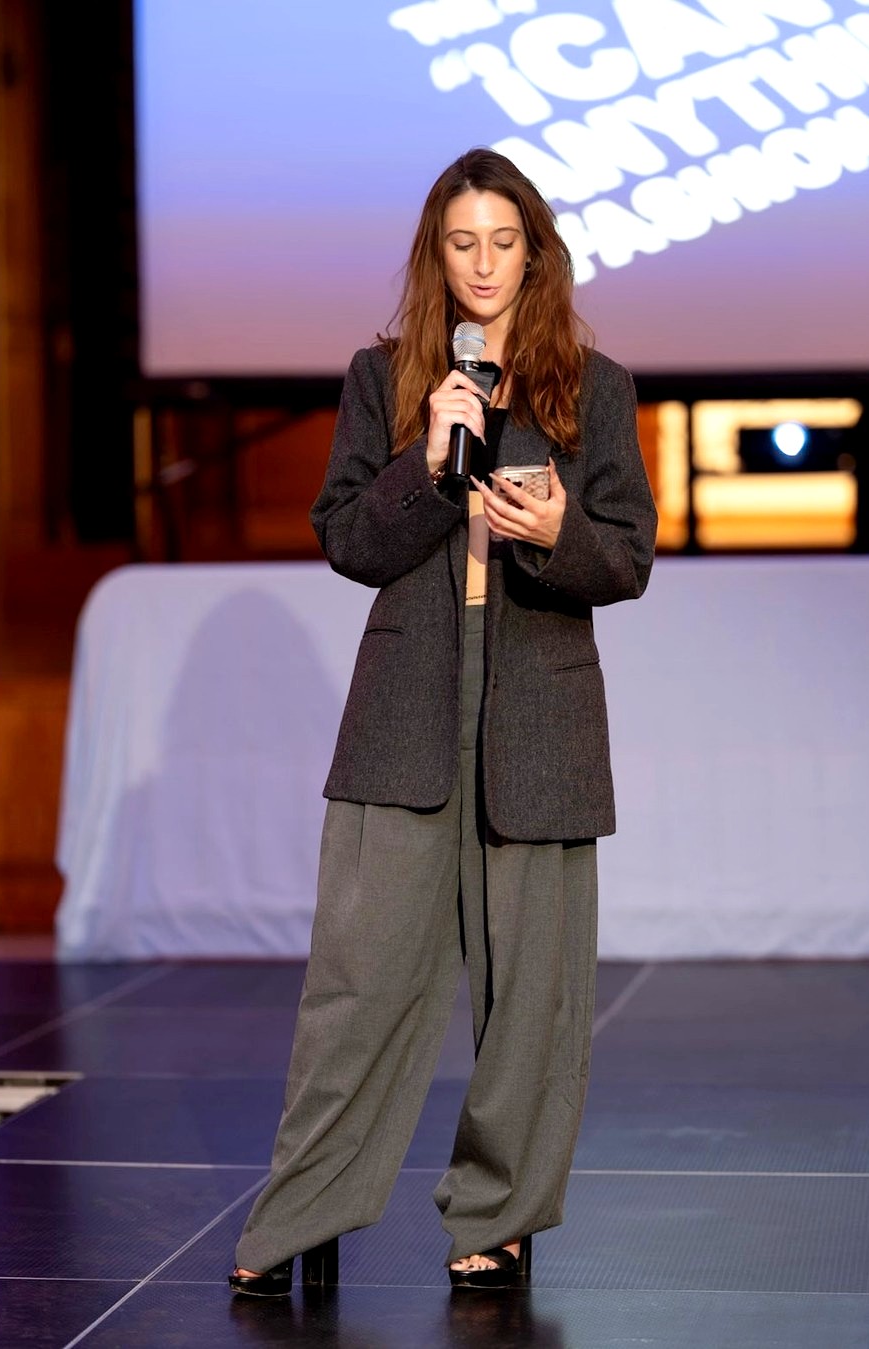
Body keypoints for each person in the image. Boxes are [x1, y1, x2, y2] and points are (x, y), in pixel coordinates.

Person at [230, 147, 657, 1295]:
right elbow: (348, 540)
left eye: (501, 241)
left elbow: (626, 559)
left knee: (531, 995)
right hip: (405, 713)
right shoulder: (385, 379)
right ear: (437, 250)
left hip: (540, 722)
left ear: (534, 250)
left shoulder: (592, 384)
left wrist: (555, 527)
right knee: (357, 987)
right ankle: (303, 1212)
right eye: (461, 241)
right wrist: (426, 462)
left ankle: (497, 1217)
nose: (481, 263)